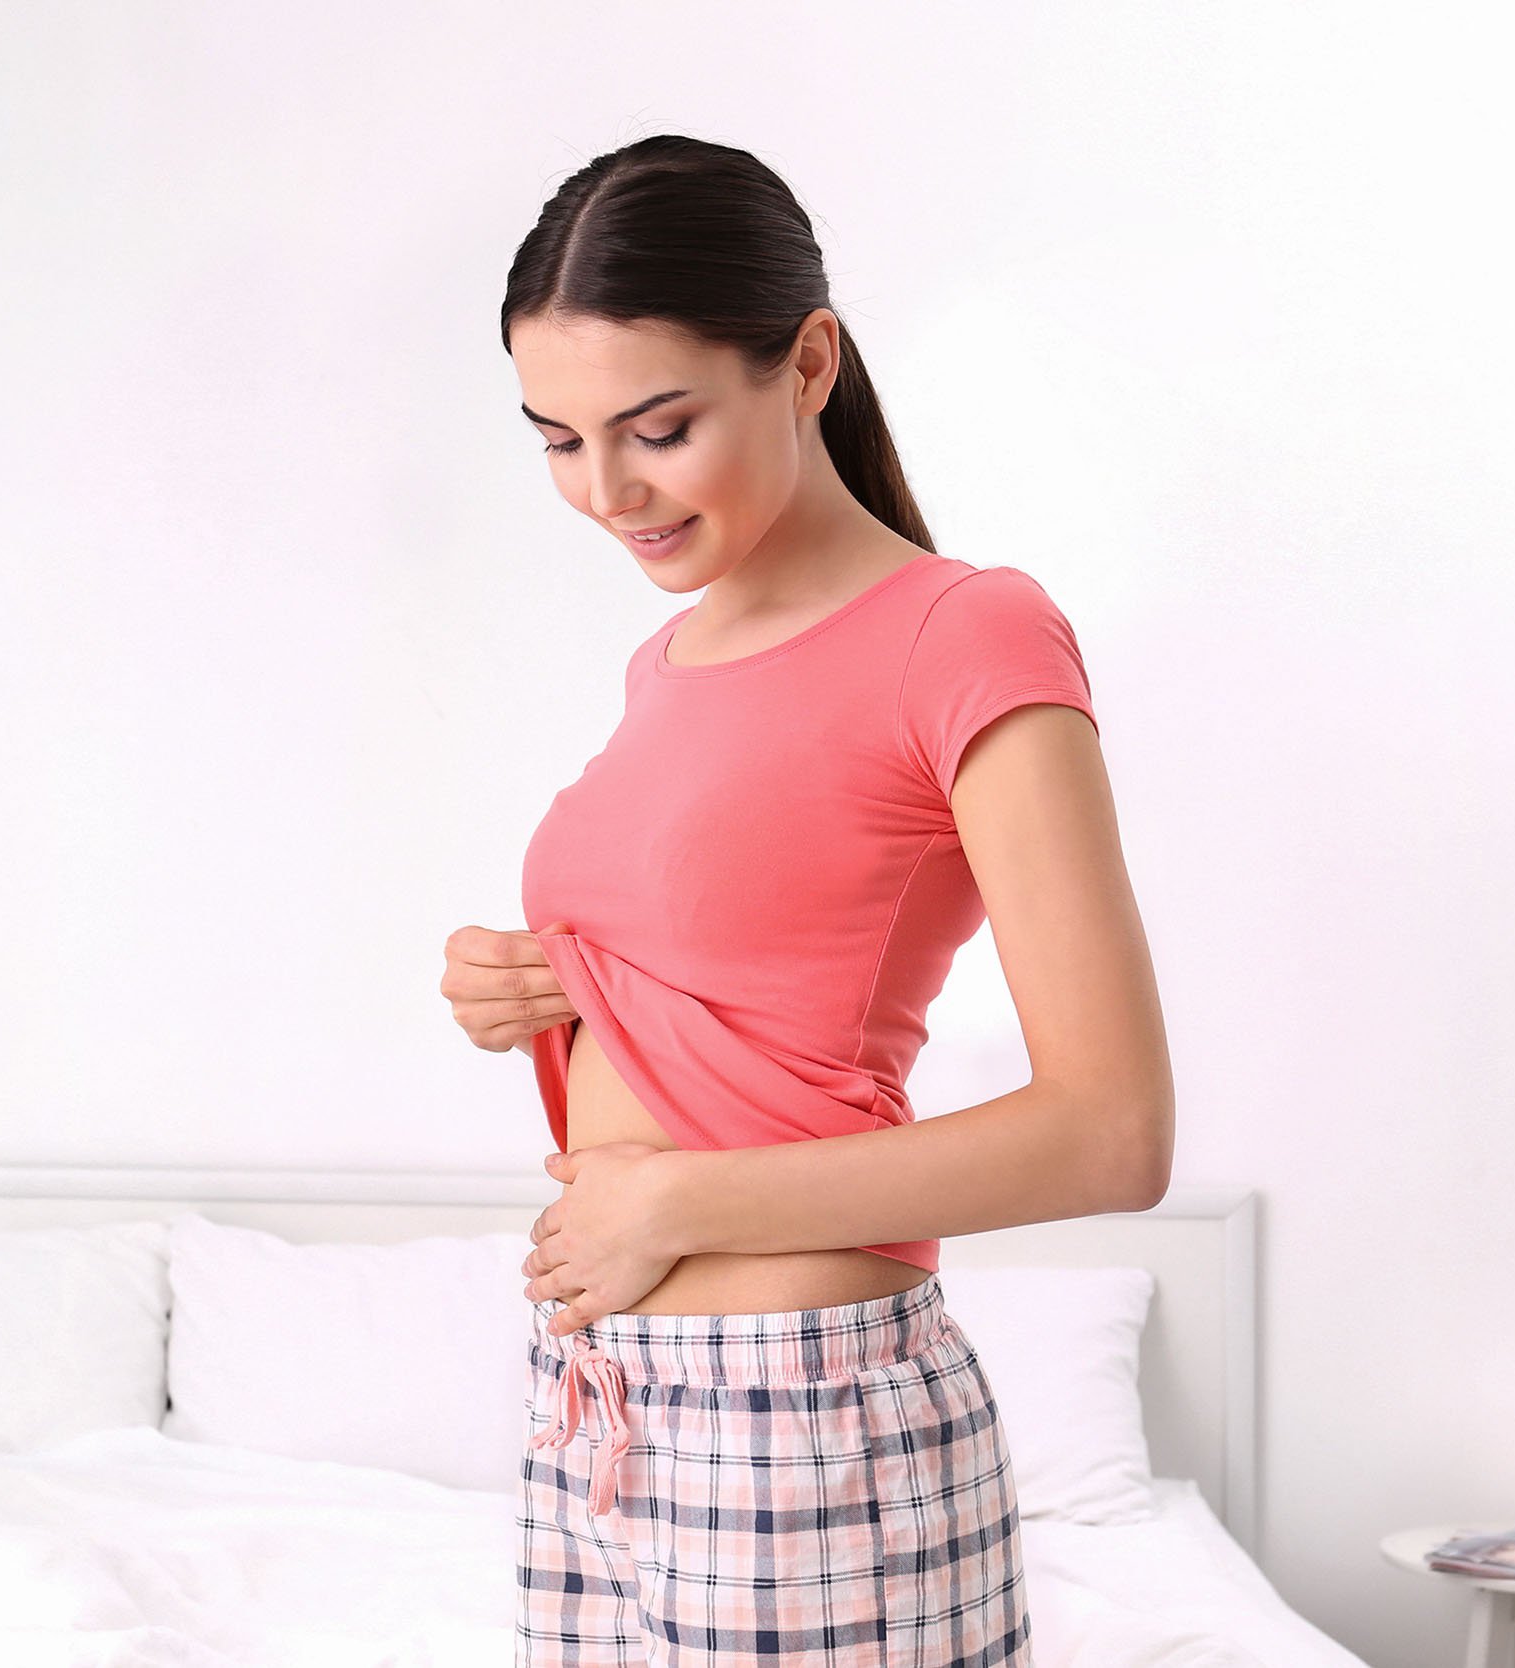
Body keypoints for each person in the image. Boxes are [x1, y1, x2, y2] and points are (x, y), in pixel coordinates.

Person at [441, 133, 1174, 1668]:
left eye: (658, 427)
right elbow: (753, 979)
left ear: (809, 361)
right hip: (602, 1403)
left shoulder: (969, 634)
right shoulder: (669, 661)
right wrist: (537, 985)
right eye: (560, 439)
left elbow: (1112, 1130)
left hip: (802, 1419)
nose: (606, 490)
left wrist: (677, 1201)